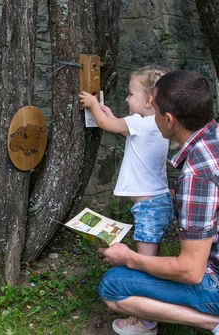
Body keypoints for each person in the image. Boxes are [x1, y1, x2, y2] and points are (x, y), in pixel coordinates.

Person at [96, 70, 219, 335]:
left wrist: (130, 258)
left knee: (113, 287)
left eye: (154, 111)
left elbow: (190, 272)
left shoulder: (197, 175)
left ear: (169, 120)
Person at [79, 66, 174, 331]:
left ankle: (144, 319)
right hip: (160, 204)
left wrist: (93, 104)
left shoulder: (139, 123)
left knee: (143, 266)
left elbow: (104, 124)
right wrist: (111, 116)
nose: (126, 99)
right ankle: (159, 300)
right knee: (153, 259)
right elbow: (127, 133)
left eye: (130, 94)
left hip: (147, 208)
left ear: (148, 100)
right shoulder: (157, 125)